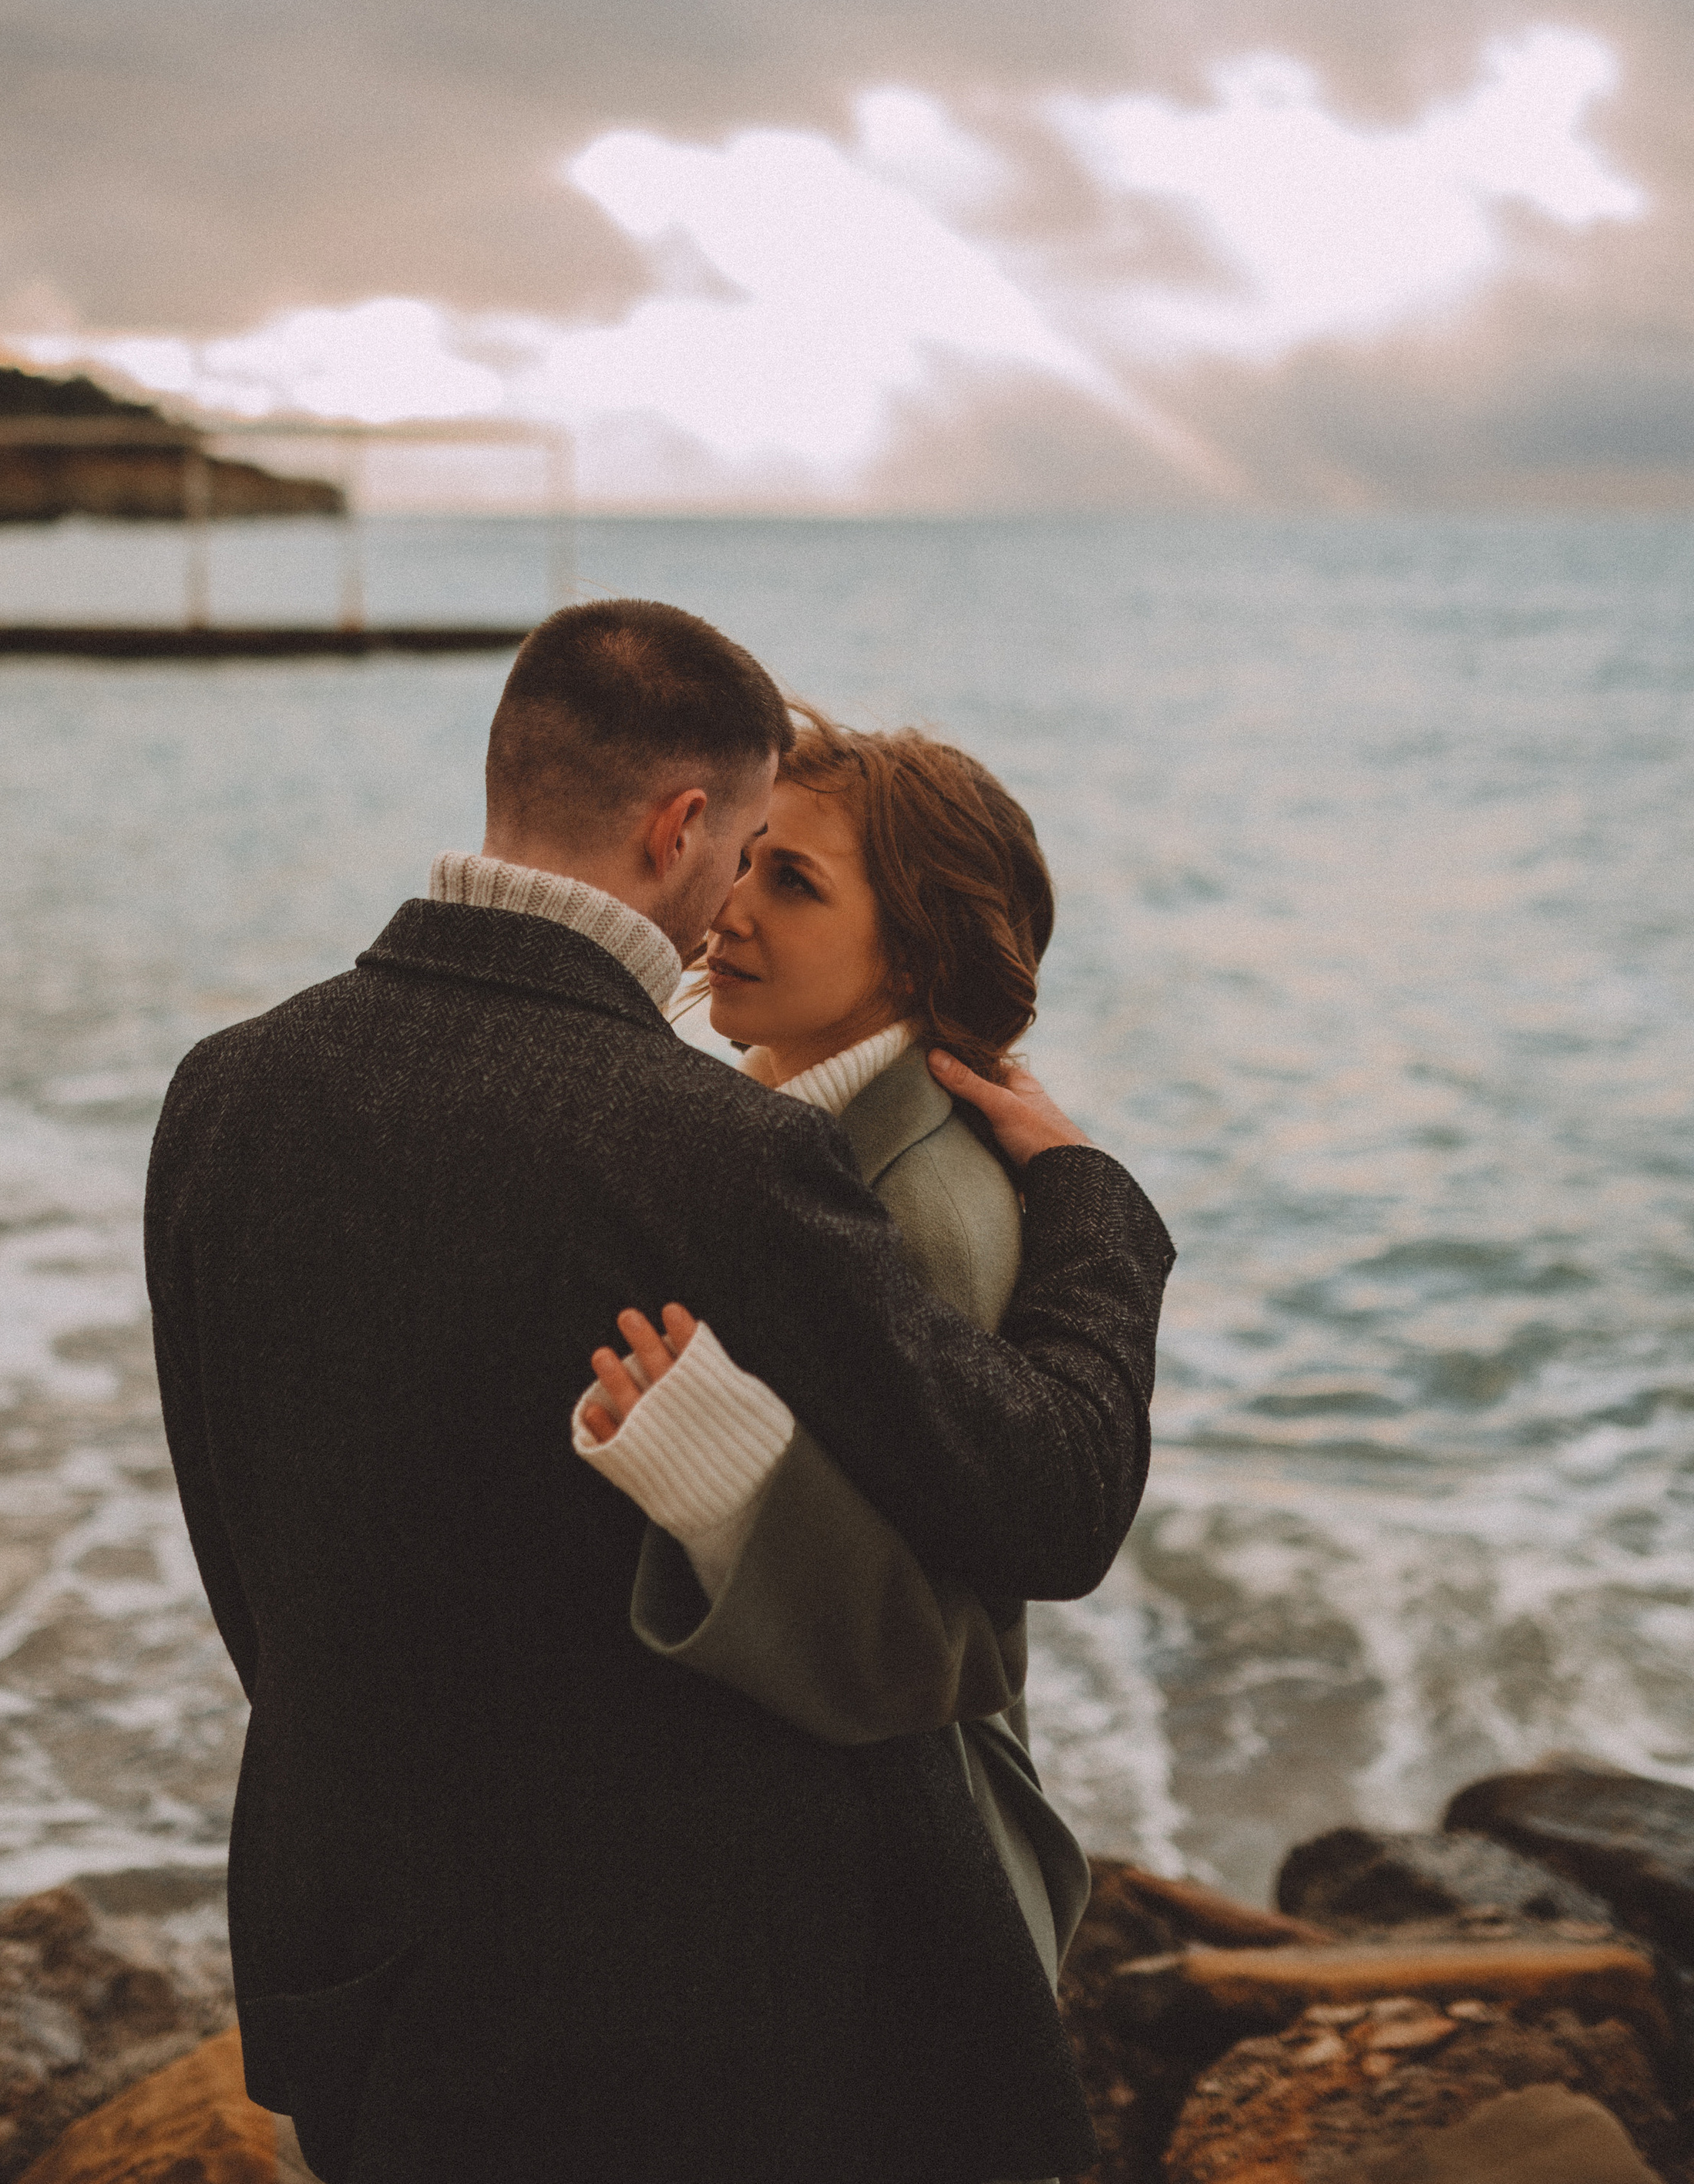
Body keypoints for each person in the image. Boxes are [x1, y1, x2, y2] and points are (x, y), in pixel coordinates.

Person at [146, 600, 1171, 2184]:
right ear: (683, 823)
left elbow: (245, 1546)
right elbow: (1050, 1495)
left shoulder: (223, 1090)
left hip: (347, 1958)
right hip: (670, 2031)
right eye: (749, 846)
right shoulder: (716, 1149)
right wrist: (1094, 1203)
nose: (738, 898)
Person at [570, 712, 1151, 2014]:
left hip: (897, 1904)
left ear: (918, 961)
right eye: (748, 856)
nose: (731, 908)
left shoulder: (925, 1210)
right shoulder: (777, 1131)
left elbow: (936, 1643)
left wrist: (721, 1481)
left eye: (798, 882)